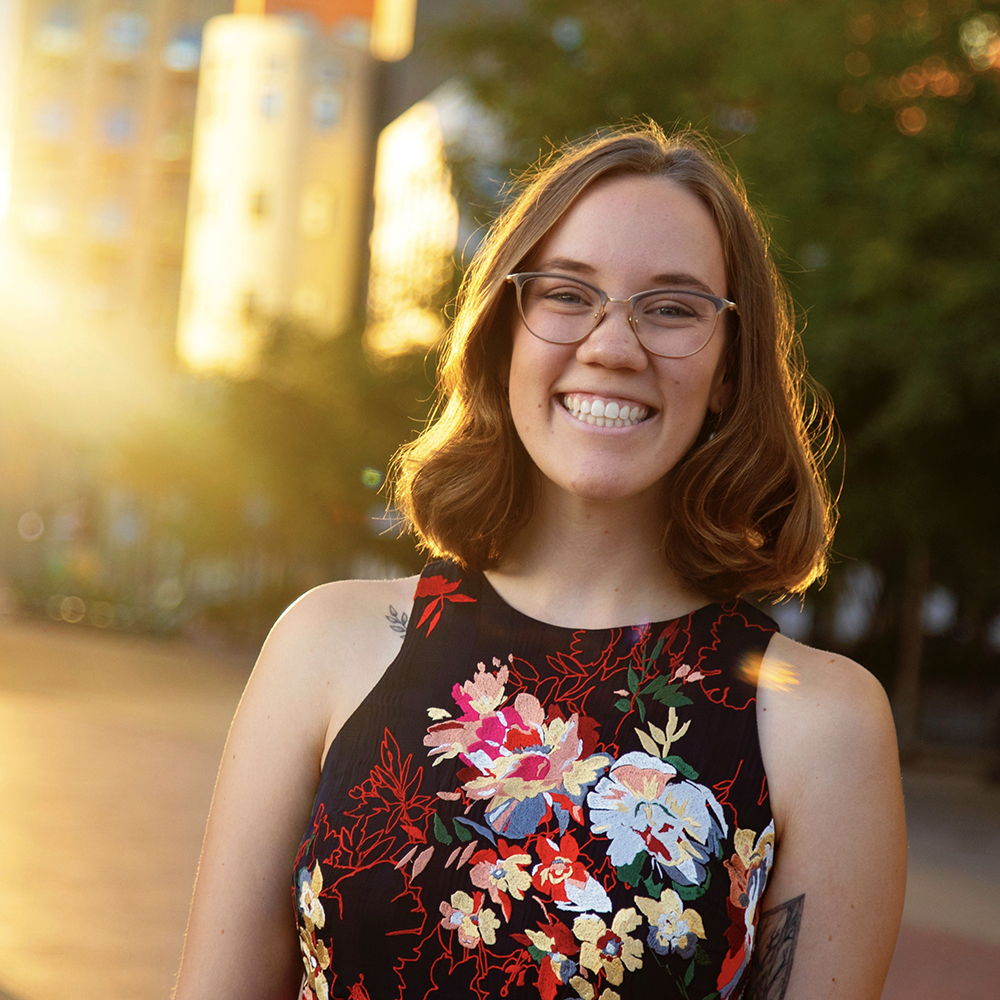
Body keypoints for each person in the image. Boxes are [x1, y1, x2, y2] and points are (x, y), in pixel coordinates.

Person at [174, 124, 906, 1000]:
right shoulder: (328, 646)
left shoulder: (821, 723)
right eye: (567, 294)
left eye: (672, 308)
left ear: (726, 371)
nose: (612, 344)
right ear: (503, 333)